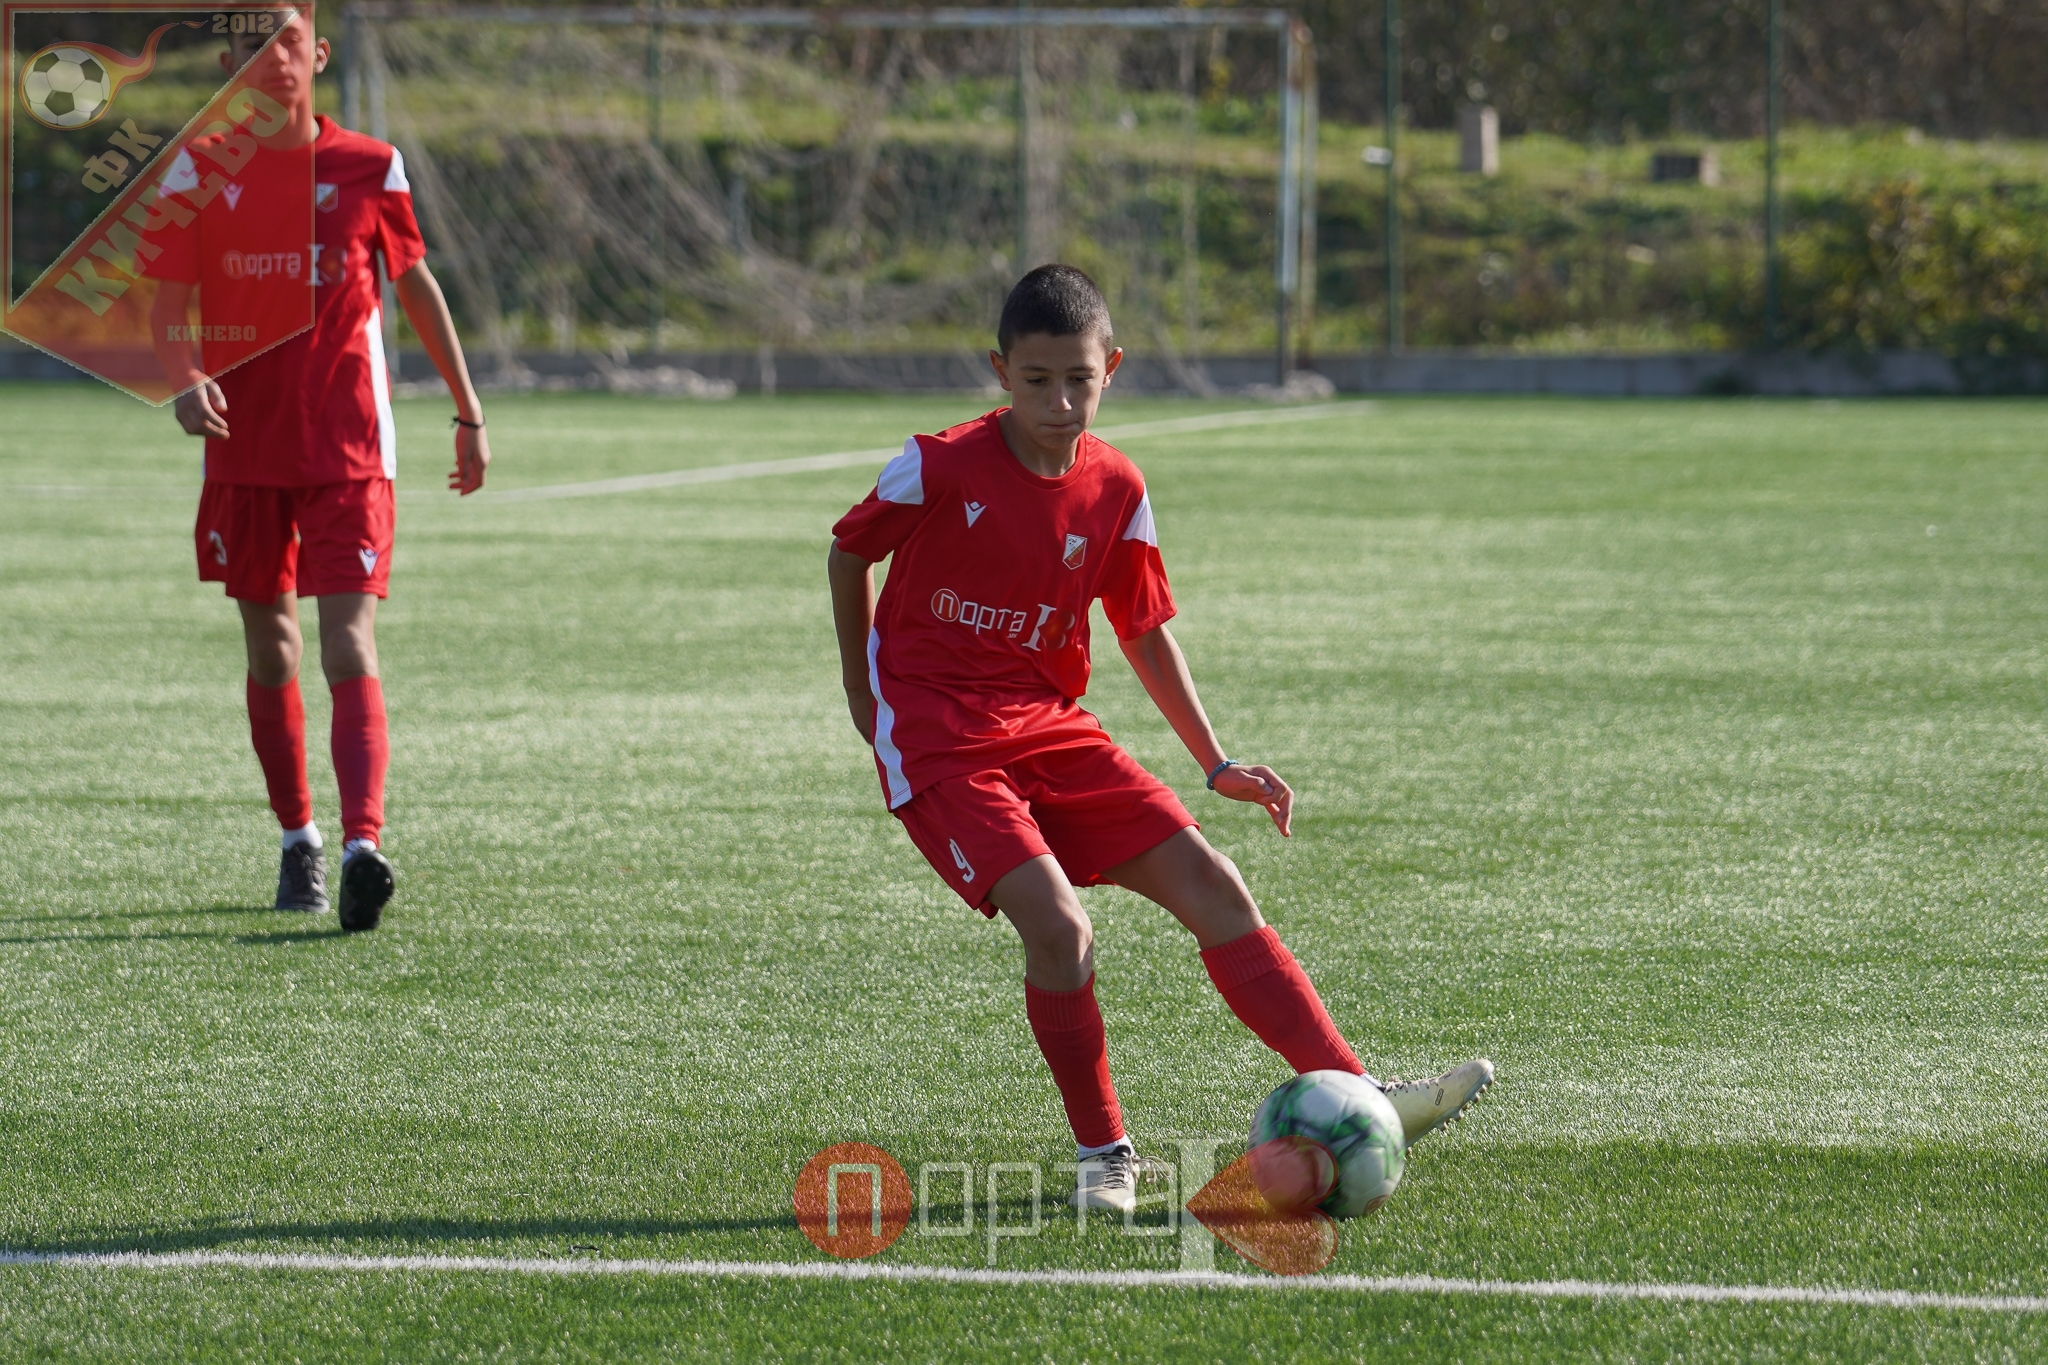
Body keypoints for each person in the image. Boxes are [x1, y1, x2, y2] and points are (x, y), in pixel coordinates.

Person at [828, 265, 1492, 1211]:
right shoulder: (938, 466)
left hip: (1051, 724)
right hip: (940, 734)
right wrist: (864, 690)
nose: (1060, 403)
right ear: (1001, 372)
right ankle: (1105, 1152)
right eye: (1036, 381)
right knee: (1060, 928)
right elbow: (850, 548)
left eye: (1079, 380)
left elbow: (1142, 628)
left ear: (1112, 370)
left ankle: (1360, 1095)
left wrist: (1214, 760)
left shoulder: (1117, 486)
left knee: (1216, 884)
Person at [146, 10, 489, 931]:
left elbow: (415, 283)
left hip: (349, 451)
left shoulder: (371, 166)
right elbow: (168, 300)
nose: (274, 59)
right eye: (255, 46)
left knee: (348, 645)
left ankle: (361, 846)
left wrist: (467, 408)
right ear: (230, 64)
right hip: (246, 451)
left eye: (289, 40)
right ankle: (298, 837)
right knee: (273, 651)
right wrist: (183, 376)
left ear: (318, 55)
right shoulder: (197, 170)